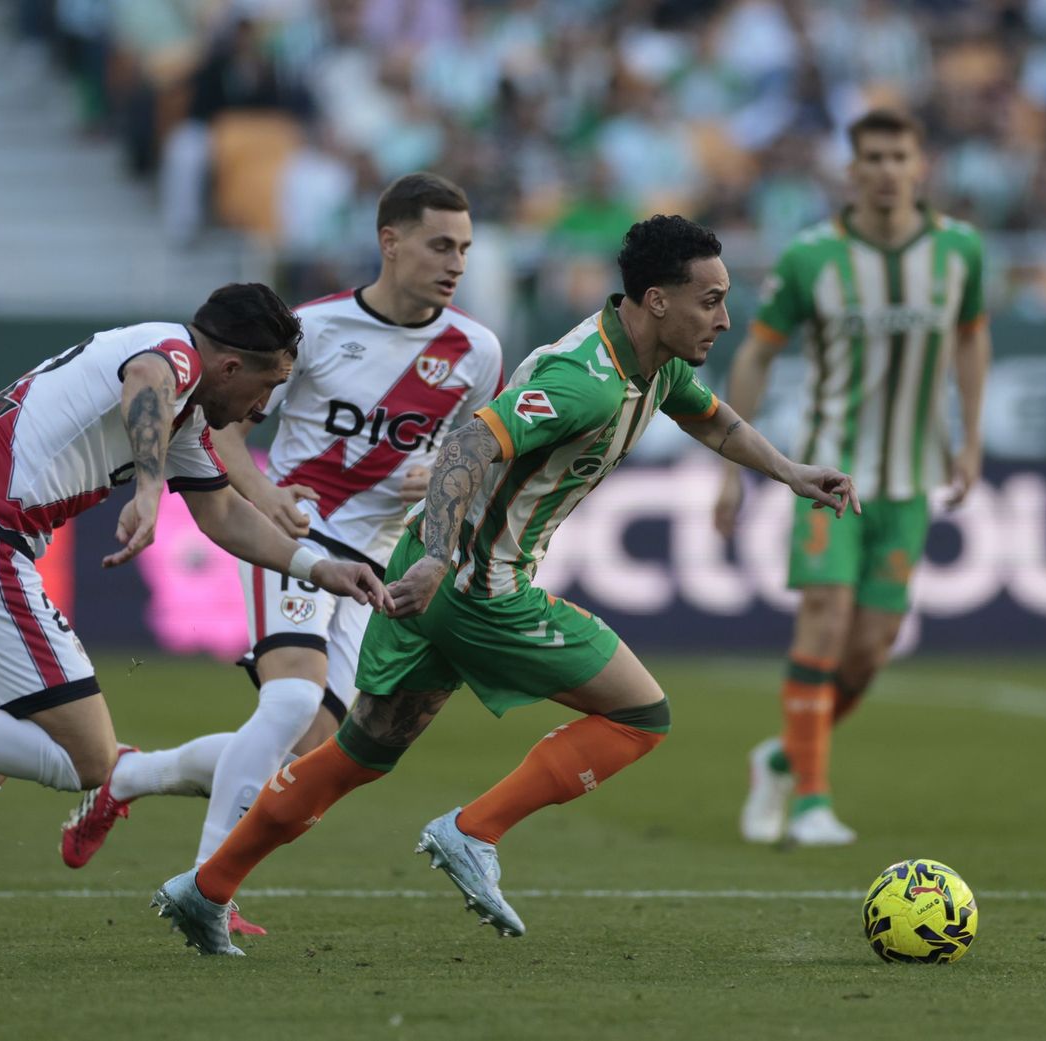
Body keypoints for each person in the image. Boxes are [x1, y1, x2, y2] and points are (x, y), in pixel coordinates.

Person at [148, 214, 858, 956]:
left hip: (430, 573)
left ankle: (207, 886)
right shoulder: (583, 381)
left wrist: (791, 472)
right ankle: (473, 829)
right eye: (710, 300)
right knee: (641, 714)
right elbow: (468, 441)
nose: (725, 316)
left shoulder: (656, 363)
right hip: (477, 587)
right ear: (655, 300)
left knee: (361, 750)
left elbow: (714, 422)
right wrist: (440, 558)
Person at [0, 283, 392, 980]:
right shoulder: (172, 353)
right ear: (231, 366)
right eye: (270, 384)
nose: (266, 407)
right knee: (89, 760)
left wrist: (320, 568)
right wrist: (145, 488)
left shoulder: (190, 420)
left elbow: (223, 519)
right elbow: (147, 378)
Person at [56, 172, 503, 935]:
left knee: (304, 766)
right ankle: (209, 891)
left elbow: (474, 459)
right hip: (293, 535)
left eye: (463, 246)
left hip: (378, 560)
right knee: (291, 698)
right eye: (438, 244)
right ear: (388, 242)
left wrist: (445, 486)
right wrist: (263, 495)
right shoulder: (315, 329)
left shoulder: (477, 350)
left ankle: (125, 776)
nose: (455, 261)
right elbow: (223, 423)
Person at [713, 109, 991, 847]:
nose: (887, 169)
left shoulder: (961, 250)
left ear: (919, 163)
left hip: (910, 478)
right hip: (828, 473)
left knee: (869, 650)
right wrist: (733, 469)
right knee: (825, 616)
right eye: (872, 156)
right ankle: (810, 802)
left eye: (899, 154)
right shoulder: (811, 258)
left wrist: (971, 440)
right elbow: (756, 353)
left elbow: (972, 338)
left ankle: (779, 756)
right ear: (852, 169)